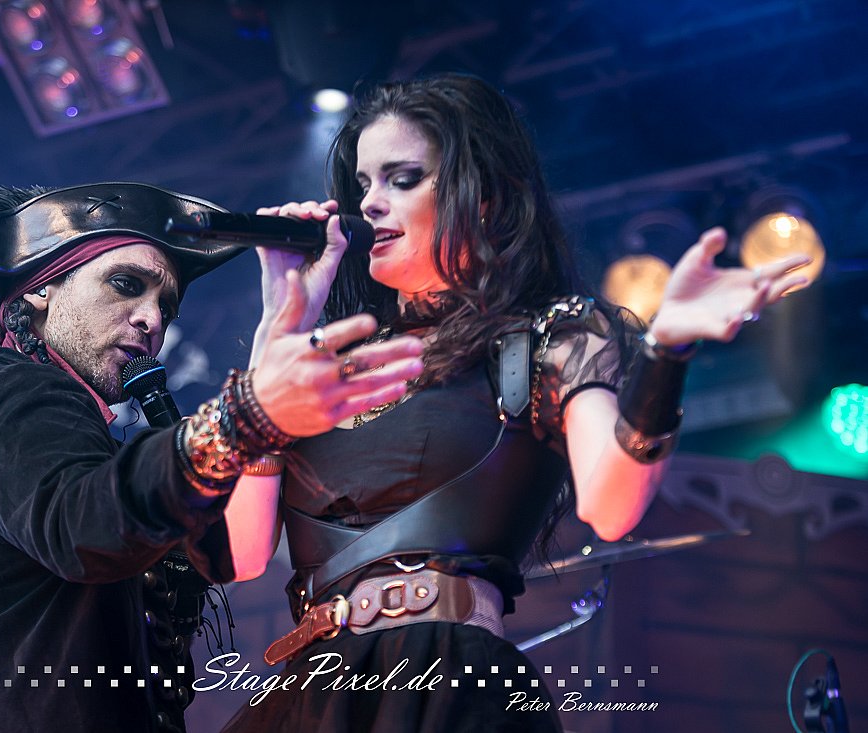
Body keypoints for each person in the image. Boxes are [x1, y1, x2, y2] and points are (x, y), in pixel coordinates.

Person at [220, 74, 811, 732]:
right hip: (317, 693)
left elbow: (612, 506)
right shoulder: (322, 366)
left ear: (484, 198)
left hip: (445, 681)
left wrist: (666, 351)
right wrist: (278, 330)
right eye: (363, 185)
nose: (371, 204)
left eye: (402, 179)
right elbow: (242, 553)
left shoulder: (545, 340)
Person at [0, 181, 424, 733]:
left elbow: (238, 553)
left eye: (165, 305)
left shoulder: (92, 452)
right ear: (42, 288)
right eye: (125, 285)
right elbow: (84, 529)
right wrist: (242, 417)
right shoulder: (10, 392)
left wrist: (281, 330)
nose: (151, 319)